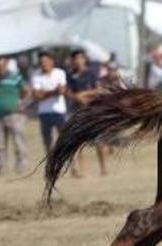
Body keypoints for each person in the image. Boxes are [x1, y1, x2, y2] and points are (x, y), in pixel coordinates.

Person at [67, 49, 108, 177]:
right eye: (75, 59)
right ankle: (82, 170)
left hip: (92, 110)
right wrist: (75, 97)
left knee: (98, 141)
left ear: (84, 59)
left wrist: (83, 94)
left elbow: (99, 90)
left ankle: (103, 168)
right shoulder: (70, 76)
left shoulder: (91, 73)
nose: (78, 61)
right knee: (79, 143)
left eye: (80, 58)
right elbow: (67, 91)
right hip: (77, 110)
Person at [0, 56, 29, 176]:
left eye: (2, 65)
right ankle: (1, 168)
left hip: (15, 116)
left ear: (6, 65)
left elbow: (27, 92)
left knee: (18, 141)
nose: (0, 68)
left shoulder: (16, 78)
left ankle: (21, 166)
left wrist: (22, 104)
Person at [31, 51, 68, 154]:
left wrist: (44, 93)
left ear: (52, 61)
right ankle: (51, 162)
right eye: (41, 62)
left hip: (59, 111)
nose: (44, 64)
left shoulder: (60, 72)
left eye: (46, 61)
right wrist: (53, 91)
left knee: (64, 138)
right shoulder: (36, 75)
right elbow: (37, 96)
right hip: (44, 112)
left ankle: (69, 162)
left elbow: (61, 91)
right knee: (47, 141)